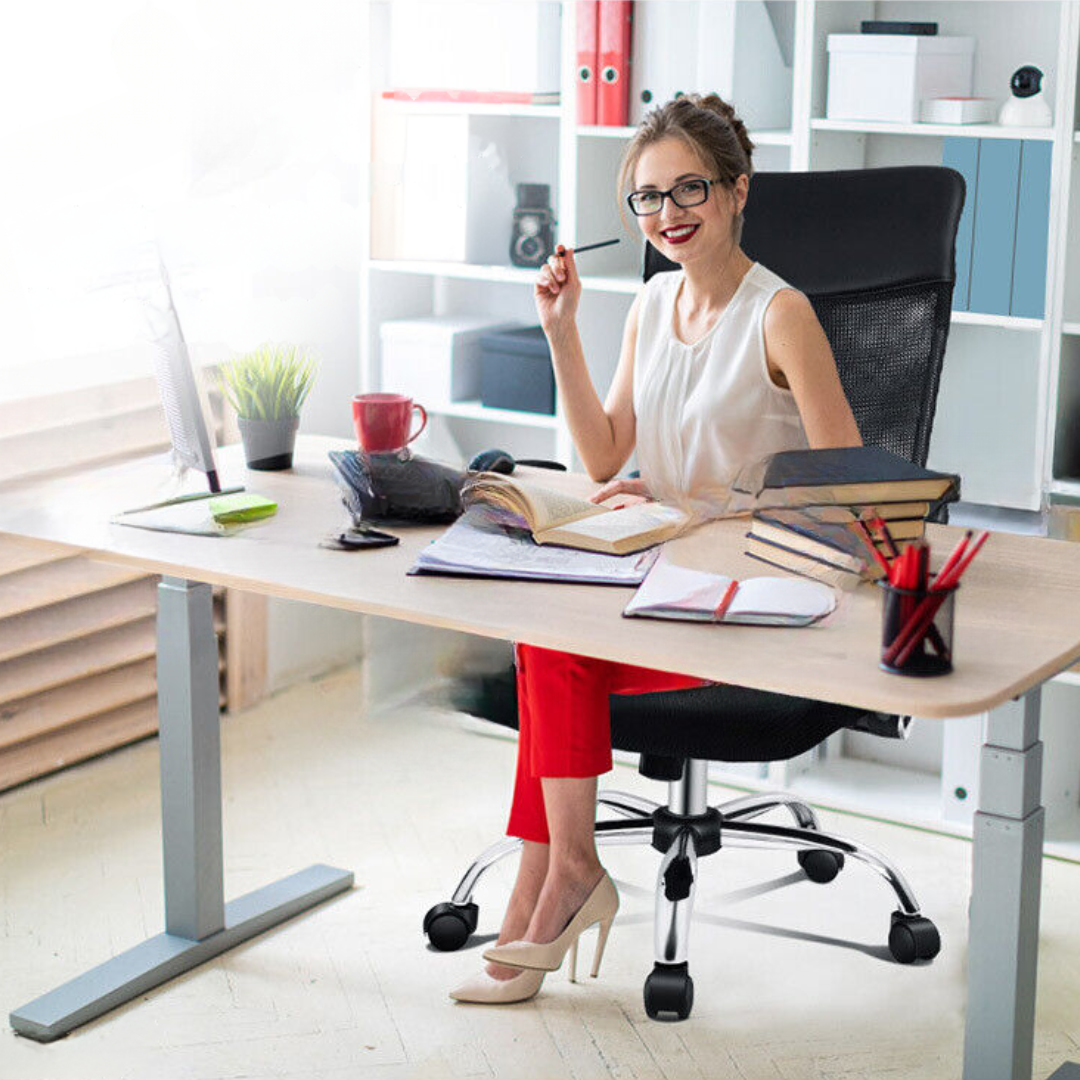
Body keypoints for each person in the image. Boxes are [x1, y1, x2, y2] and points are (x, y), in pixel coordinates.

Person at [450, 94, 862, 1005]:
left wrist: (698, 508)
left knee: (552, 648)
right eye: (646, 198)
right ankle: (549, 884)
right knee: (544, 631)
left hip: (751, 605)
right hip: (660, 586)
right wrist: (562, 330)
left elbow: (844, 495)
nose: (667, 214)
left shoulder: (779, 315)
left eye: (689, 190)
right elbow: (603, 455)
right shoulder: (649, 300)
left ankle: (558, 882)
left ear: (737, 190)